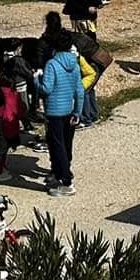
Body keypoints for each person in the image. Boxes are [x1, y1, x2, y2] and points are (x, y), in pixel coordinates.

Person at [37, 31, 82, 196]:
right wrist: (77, 111)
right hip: (69, 111)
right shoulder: (75, 64)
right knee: (66, 144)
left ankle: (66, 182)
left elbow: (46, 89)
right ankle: (62, 172)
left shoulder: (52, 64)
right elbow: (79, 91)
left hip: (54, 112)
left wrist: (37, 80)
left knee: (57, 146)